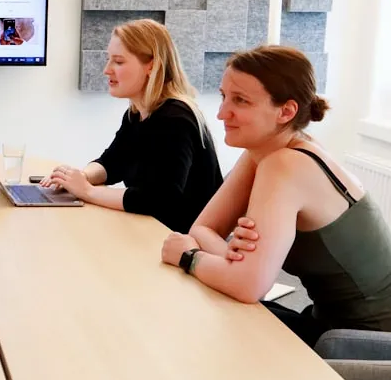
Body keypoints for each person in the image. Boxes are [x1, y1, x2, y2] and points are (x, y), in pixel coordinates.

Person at [161, 46, 391, 346]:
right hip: (327, 323)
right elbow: (202, 229)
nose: (221, 113)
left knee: (201, 327)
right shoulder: (267, 150)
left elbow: (248, 285)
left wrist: (189, 257)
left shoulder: (286, 164)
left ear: (286, 111)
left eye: (240, 101)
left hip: (364, 342)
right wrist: (236, 264)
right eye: (224, 96)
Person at [40, 19, 222, 233]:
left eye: (118, 61)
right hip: (155, 233)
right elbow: (112, 163)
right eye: (109, 60)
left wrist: (87, 191)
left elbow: (159, 199)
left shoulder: (176, 119)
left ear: (151, 65)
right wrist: (79, 177)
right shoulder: (136, 113)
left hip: (183, 242)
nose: (106, 70)